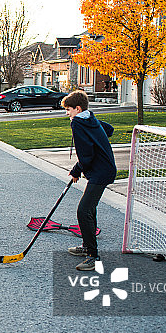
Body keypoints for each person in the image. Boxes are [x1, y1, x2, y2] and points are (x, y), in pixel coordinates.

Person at [61, 90, 116, 271]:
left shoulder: (78, 123)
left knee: (84, 211)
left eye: (68, 109)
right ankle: (86, 245)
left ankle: (93, 255)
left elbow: (86, 156)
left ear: (78, 108)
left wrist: (76, 171)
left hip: (101, 172)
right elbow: (109, 129)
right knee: (90, 208)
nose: (66, 113)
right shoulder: (89, 118)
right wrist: (99, 140)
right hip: (103, 170)